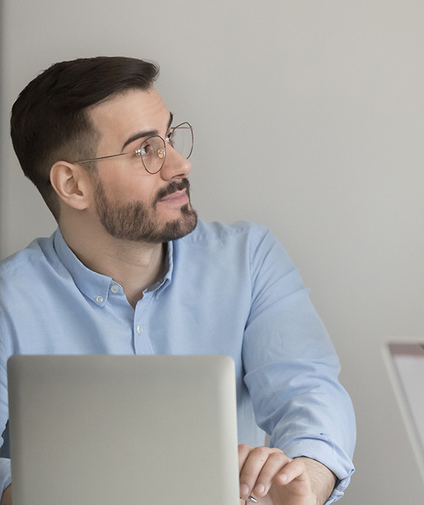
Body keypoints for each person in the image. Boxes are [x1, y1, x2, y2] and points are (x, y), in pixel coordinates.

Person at [0, 57, 357, 505]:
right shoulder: (9, 302)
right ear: (72, 185)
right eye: (144, 150)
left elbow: (309, 391)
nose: (180, 164)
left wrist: (308, 478)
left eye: (168, 138)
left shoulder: (249, 259)